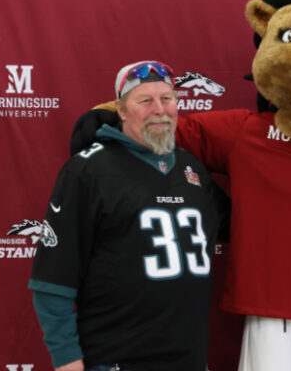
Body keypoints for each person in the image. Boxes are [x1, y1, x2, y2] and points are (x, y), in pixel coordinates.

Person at [29, 61, 228, 371]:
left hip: (188, 360)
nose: (159, 110)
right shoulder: (88, 171)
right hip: (115, 360)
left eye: (167, 98)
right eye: (145, 100)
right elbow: (54, 278)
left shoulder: (192, 169)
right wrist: (66, 358)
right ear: (121, 110)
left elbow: (239, 225)